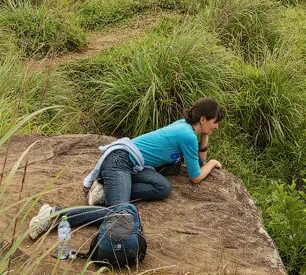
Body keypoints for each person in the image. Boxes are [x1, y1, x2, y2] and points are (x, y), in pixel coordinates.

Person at [28, 98, 226, 241]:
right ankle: (53, 214)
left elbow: (198, 162)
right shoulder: (187, 135)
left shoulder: (187, 128)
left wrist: (205, 136)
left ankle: (105, 192)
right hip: (120, 161)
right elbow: (196, 176)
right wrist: (213, 163)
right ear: (203, 120)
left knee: (163, 187)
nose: (217, 127)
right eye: (215, 122)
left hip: (134, 165)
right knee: (118, 215)